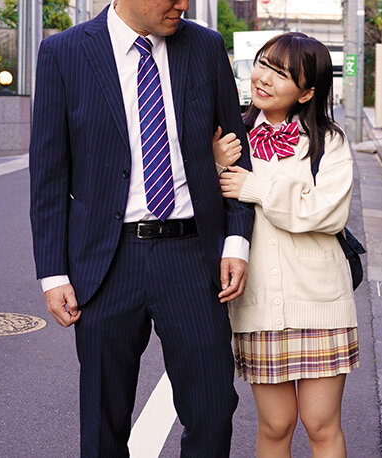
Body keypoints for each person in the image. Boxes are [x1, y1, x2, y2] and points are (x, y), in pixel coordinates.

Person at [28, 0, 254, 456]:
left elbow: (236, 151)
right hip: (106, 262)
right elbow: (49, 174)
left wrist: (236, 241)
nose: (183, 4)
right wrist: (53, 274)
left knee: (213, 409)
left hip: (192, 255)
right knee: (103, 420)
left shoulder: (205, 46)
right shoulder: (64, 53)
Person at [213, 32, 358, 457]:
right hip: (257, 304)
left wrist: (256, 187)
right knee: (275, 426)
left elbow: (327, 213)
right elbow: (208, 210)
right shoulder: (230, 138)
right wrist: (214, 166)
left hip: (320, 303)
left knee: (321, 425)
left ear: (307, 92)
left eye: (281, 73)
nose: (264, 78)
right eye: (263, 64)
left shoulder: (328, 141)